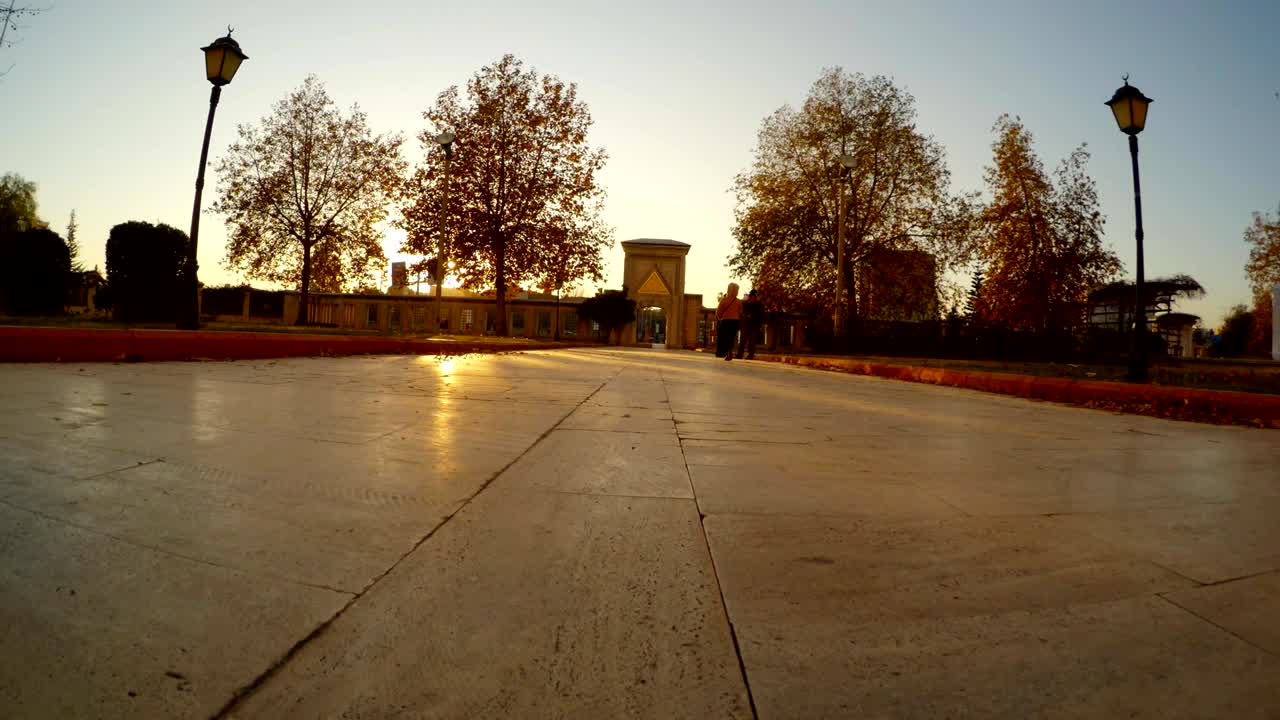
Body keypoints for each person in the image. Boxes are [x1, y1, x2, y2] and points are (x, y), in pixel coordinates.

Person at [714, 283, 743, 361]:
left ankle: (724, 352)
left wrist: (720, 319)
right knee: (732, 338)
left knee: (725, 337)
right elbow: (740, 312)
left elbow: (718, 311)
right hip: (735, 321)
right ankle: (730, 351)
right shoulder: (739, 302)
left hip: (726, 321)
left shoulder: (724, 300)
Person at [737, 289, 764, 360]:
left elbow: (761, 315)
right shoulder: (745, 303)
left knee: (751, 341)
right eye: (752, 296)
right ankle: (740, 354)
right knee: (743, 340)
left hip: (754, 325)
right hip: (746, 324)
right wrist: (745, 316)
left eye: (754, 296)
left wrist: (753, 317)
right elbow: (741, 312)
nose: (753, 298)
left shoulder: (759, 305)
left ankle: (750, 355)